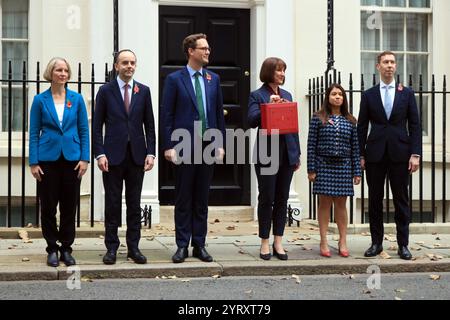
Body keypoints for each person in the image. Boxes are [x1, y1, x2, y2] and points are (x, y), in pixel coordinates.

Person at [161, 33, 226, 263]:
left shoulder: (213, 79)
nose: (208, 52)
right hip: (183, 145)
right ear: (191, 51)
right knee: (183, 197)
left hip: (208, 146)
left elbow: (218, 113)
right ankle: (181, 245)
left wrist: (220, 143)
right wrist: (168, 145)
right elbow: (167, 114)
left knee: (201, 198)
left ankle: (199, 244)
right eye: (203, 48)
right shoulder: (174, 79)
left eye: (208, 48)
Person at [93, 49, 156, 265]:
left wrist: (151, 152)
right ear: (116, 66)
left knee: (134, 203)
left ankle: (134, 248)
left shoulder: (143, 91)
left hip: (137, 156)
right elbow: (96, 126)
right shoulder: (105, 91)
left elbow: (150, 125)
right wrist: (99, 153)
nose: (129, 66)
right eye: (125, 62)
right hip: (111, 157)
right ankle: (111, 248)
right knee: (112, 203)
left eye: (133, 63)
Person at [358, 51, 422, 260]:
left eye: (392, 62)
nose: (389, 66)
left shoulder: (407, 93)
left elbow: (415, 125)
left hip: (401, 154)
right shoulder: (369, 95)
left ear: (396, 67)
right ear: (378, 66)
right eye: (385, 62)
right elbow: (361, 127)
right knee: (375, 200)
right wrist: (360, 154)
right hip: (375, 154)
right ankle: (376, 243)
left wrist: (415, 154)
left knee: (401, 200)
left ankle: (403, 244)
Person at [29, 57, 89, 267]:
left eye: (65, 70)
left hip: (72, 159)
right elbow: (34, 132)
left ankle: (66, 248)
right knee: (48, 206)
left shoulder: (77, 99)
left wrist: (85, 158)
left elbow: (83, 130)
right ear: (50, 73)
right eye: (58, 70)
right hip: (47, 159)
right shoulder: (40, 100)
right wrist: (33, 162)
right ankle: (52, 248)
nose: (63, 74)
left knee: (69, 206)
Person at [247, 57, 301, 261]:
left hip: (287, 153)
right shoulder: (257, 95)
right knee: (267, 198)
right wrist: (267, 106)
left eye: (284, 70)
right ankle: (264, 242)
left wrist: (297, 155)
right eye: (278, 70)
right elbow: (251, 121)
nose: (282, 74)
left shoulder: (287, 94)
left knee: (282, 198)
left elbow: (293, 126)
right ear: (269, 72)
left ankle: (278, 241)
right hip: (266, 153)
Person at [307, 84, 361, 258]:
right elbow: (311, 145)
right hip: (323, 165)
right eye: (334, 94)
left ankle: (342, 240)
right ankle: (323, 240)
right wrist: (311, 169)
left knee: (341, 204)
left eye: (340, 94)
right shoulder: (318, 117)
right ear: (328, 97)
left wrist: (357, 171)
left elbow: (355, 148)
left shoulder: (351, 120)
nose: (337, 97)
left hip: (344, 166)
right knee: (324, 204)